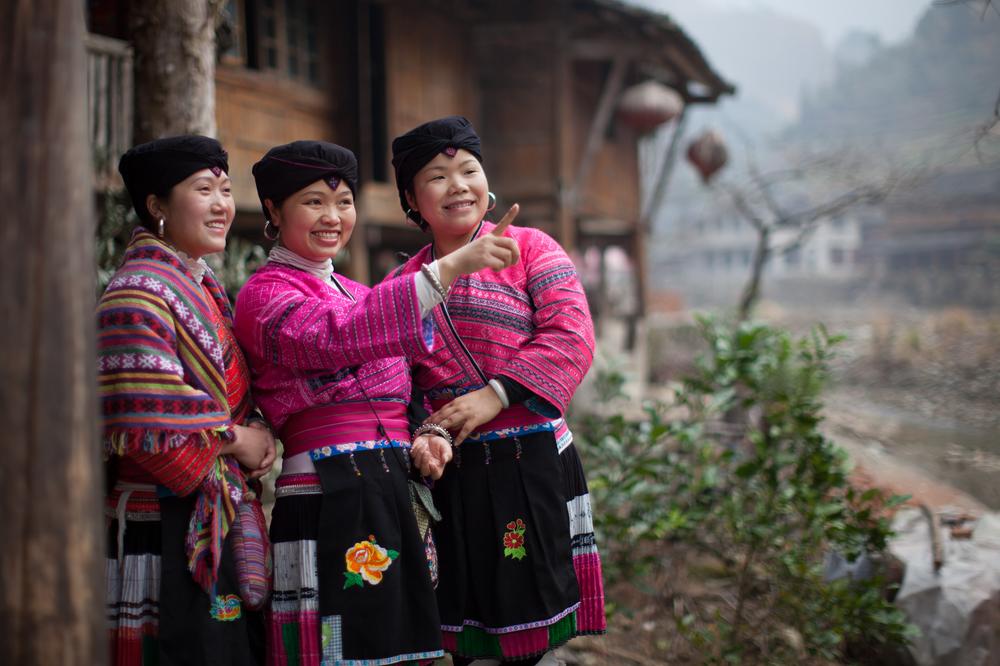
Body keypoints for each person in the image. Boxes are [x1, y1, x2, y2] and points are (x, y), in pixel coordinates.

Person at [232, 140, 519, 665]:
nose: (332, 217)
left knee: (399, 650)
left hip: (389, 490)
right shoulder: (263, 295)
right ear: (273, 210)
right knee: (338, 650)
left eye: (343, 203)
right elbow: (332, 336)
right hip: (325, 491)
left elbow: (406, 384)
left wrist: (429, 433)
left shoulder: (360, 291)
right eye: (313, 202)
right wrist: (447, 269)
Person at [389, 116, 607, 665]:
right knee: (467, 629)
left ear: (488, 185)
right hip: (453, 471)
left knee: (532, 636)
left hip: (528, 459)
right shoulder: (400, 288)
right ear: (413, 201)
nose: (458, 185)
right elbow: (394, 381)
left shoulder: (533, 248)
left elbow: (572, 335)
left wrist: (496, 395)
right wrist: (426, 432)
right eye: (437, 177)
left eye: (469, 170)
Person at [100, 135, 277, 666]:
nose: (223, 204)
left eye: (225, 189)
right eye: (205, 189)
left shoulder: (202, 288)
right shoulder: (135, 295)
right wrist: (238, 442)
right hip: (161, 526)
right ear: (156, 205)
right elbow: (143, 426)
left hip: (207, 514)